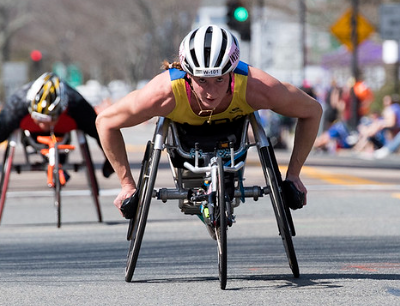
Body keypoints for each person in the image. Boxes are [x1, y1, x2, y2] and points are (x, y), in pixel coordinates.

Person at [95, 24, 322, 216]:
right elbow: (105, 122)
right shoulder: (162, 94)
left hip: (234, 134)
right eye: (202, 81)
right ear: (187, 74)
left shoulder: (259, 88)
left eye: (220, 80)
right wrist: (127, 184)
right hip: (183, 137)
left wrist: (293, 176)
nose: (211, 92)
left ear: (233, 73)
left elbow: (312, 111)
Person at [0, 72, 113, 197]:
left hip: (62, 131)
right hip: (30, 133)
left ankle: (59, 164)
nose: (44, 125)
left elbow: (99, 132)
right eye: (40, 120)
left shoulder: (77, 104)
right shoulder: (16, 107)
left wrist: (110, 161)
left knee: (93, 127)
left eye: (50, 120)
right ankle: (54, 163)